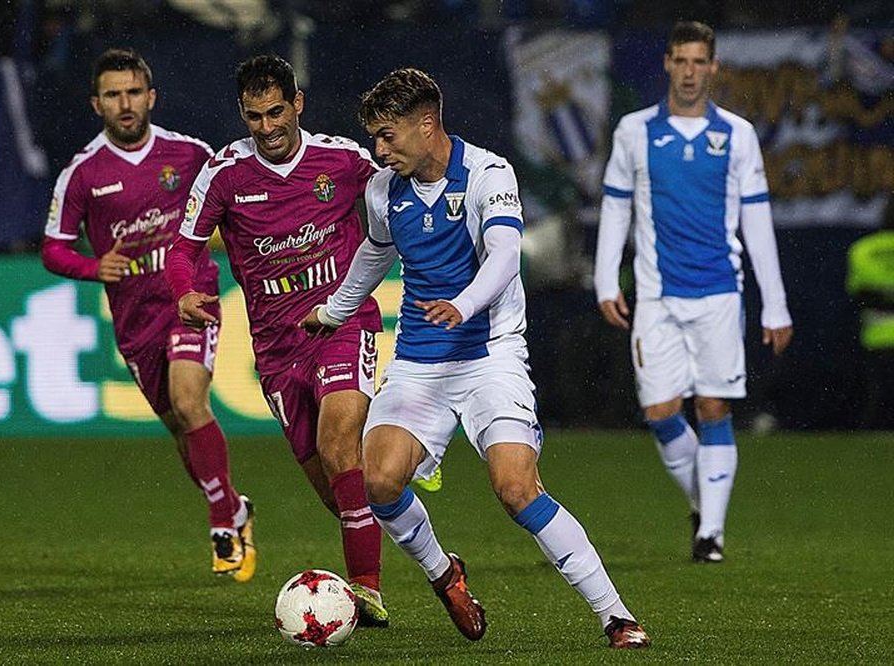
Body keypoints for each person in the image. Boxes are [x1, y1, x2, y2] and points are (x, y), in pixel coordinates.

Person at [300, 67, 650, 649]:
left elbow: (506, 255)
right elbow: (374, 252)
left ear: (426, 123)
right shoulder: (384, 188)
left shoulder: (489, 171)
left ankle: (615, 615)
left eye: (387, 135)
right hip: (418, 361)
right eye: (374, 137)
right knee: (379, 481)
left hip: (491, 356)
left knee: (516, 489)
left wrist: (463, 306)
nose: (377, 149)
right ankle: (445, 574)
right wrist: (334, 311)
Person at [165, 54, 389, 626]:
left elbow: (403, 197)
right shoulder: (224, 174)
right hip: (276, 350)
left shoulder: (344, 161)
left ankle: (366, 590)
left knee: (342, 447)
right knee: (333, 490)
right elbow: (183, 251)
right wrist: (184, 293)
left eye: (275, 113)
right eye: (253, 117)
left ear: (298, 104)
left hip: (342, 322)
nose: (266, 128)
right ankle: (413, 535)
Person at [41, 48, 255, 580]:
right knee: (182, 430)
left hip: (191, 298)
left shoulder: (190, 155)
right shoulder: (83, 174)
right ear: (97, 104)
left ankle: (221, 524)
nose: (125, 103)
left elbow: (232, 210)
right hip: (135, 321)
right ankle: (234, 504)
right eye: (113, 95)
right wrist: (95, 268)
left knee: (190, 399)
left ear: (151, 96)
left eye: (134, 92)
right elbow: (53, 248)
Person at [594, 21, 794, 564]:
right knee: (661, 413)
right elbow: (616, 207)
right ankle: (709, 509)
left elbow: (756, 221)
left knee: (712, 407)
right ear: (666, 63)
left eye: (698, 62)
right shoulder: (634, 131)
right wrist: (605, 277)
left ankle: (710, 533)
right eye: (680, 60)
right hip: (656, 298)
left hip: (718, 296)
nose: (689, 72)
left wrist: (774, 302)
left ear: (713, 67)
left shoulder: (737, 135)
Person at [846, 213, 894, 430]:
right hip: (879, 335)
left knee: (878, 393)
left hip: (877, 334)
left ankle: (870, 433)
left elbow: (859, 294)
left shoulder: (862, 249)